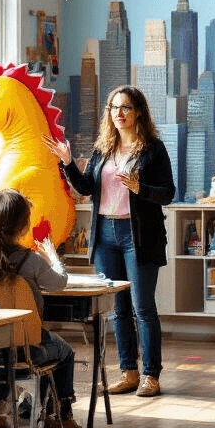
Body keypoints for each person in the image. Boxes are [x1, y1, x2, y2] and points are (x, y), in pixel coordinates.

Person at [44, 85, 175, 398]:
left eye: (126, 107)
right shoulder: (104, 148)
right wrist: (67, 162)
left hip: (138, 235)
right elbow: (86, 188)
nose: (119, 113)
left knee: (143, 308)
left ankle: (151, 375)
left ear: (138, 112)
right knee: (119, 309)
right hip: (105, 235)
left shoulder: (153, 149)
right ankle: (128, 372)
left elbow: (168, 193)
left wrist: (141, 188)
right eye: (114, 108)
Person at [0, 189, 79, 428]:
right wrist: (53, 257)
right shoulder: (31, 260)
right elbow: (59, 283)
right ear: (25, 227)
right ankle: (57, 414)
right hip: (26, 350)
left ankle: (2, 409)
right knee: (65, 351)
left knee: (2, 351)